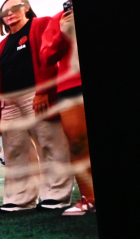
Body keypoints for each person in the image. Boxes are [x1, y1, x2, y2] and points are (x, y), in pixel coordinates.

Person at [0, 0, 73, 212]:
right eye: (5, 11)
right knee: (14, 150)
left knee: (50, 142)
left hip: (35, 94)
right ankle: (20, 197)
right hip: (9, 101)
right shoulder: (1, 45)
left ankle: (57, 194)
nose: (9, 14)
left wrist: (43, 91)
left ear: (26, 8)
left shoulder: (40, 24)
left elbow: (48, 56)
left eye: (15, 8)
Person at [41, 4, 94, 216]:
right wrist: (63, 35)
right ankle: (89, 198)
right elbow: (46, 57)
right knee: (77, 141)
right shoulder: (58, 19)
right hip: (70, 84)